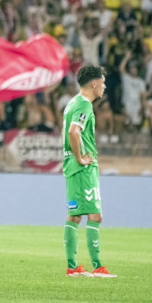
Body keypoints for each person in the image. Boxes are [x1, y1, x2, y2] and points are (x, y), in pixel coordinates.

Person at [61, 65, 117, 278]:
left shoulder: (72, 103)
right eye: (102, 83)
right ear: (93, 83)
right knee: (95, 215)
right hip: (83, 168)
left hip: (71, 168)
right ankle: (97, 266)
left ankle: (73, 266)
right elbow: (73, 132)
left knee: (74, 215)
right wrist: (80, 158)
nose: (104, 87)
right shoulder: (84, 105)